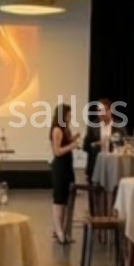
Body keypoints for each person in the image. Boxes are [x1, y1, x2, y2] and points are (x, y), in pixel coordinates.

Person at [49, 103, 80, 244]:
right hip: (60, 167)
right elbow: (57, 151)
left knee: (67, 199)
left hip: (68, 166)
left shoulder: (65, 129)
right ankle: (58, 231)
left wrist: (73, 138)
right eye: (68, 115)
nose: (70, 117)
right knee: (59, 199)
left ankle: (62, 229)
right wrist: (72, 146)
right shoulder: (57, 130)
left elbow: (64, 144)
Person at [83, 97, 113, 185]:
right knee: (95, 195)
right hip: (96, 165)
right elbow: (85, 147)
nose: (102, 113)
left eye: (105, 110)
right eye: (99, 110)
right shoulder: (92, 126)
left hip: (114, 166)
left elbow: (124, 145)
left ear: (111, 111)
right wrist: (95, 144)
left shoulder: (119, 127)